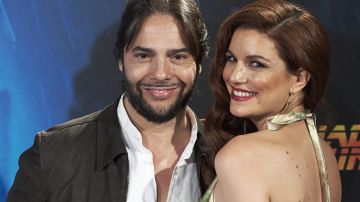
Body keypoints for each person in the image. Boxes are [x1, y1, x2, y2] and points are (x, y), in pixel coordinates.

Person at [7, 0, 209, 201]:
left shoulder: (225, 152)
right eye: (143, 56)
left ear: (199, 64)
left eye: (178, 57)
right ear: (120, 60)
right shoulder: (51, 157)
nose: (161, 73)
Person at [201, 0, 341, 201]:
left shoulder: (243, 155)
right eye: (231, 59)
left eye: (256, 64)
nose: (234, 76)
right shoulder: (326, 155)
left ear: (299, 79)